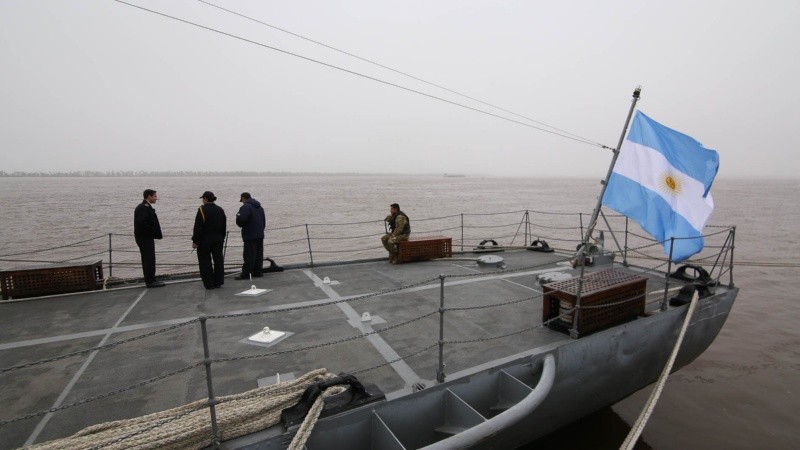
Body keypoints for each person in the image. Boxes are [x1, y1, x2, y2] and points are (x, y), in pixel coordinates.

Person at [192, 191, 227, 290]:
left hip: (205, 240)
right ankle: (218, 282)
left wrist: (195, 241)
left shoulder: (202, 210)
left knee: (205, 262)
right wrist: (222, 238)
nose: (202, 201)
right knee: (218, 260)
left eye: (203, 198)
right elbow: (224, 226)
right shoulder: (220, 210)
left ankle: (209, 283)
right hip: (218, 239)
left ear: (206, 198)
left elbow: (198, 227)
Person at [134, 189, 164, 287]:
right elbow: (142, 224)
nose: (156, 198)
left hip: (146, 237)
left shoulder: (146, 207)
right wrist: (153, 231)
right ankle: (150, 281)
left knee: (150, 259)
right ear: (149, 196)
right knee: (148, 259)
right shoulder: (143, 207)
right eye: (154, 196)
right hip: (145, 238)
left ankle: (151, 278)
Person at [235, 192, 266, 280]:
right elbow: (263, 221)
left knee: (249, 255)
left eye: (242, 200)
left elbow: (241, 220)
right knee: (258, 255)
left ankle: (246, 274)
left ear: (244, 198)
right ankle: (258, 272)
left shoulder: (245, 207)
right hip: (260, 234)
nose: (242, 202)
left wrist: (238, 216)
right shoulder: (260, 207)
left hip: (250, 234)